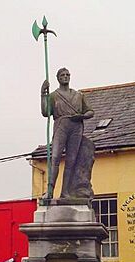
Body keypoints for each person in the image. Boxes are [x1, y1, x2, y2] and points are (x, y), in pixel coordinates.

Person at [41, 68, 94, 198]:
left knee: (71, 161)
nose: (65, 77)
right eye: (62, 75)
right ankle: (50, 191)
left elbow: (90, 111)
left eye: (67, 75)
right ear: (58, 78)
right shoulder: (54, 95)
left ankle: (65, 192)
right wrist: (43, 94)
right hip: (61, 124)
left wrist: (81, 116)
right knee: (55, 158)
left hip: (76, 126)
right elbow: (46, 112)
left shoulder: (79, 95)